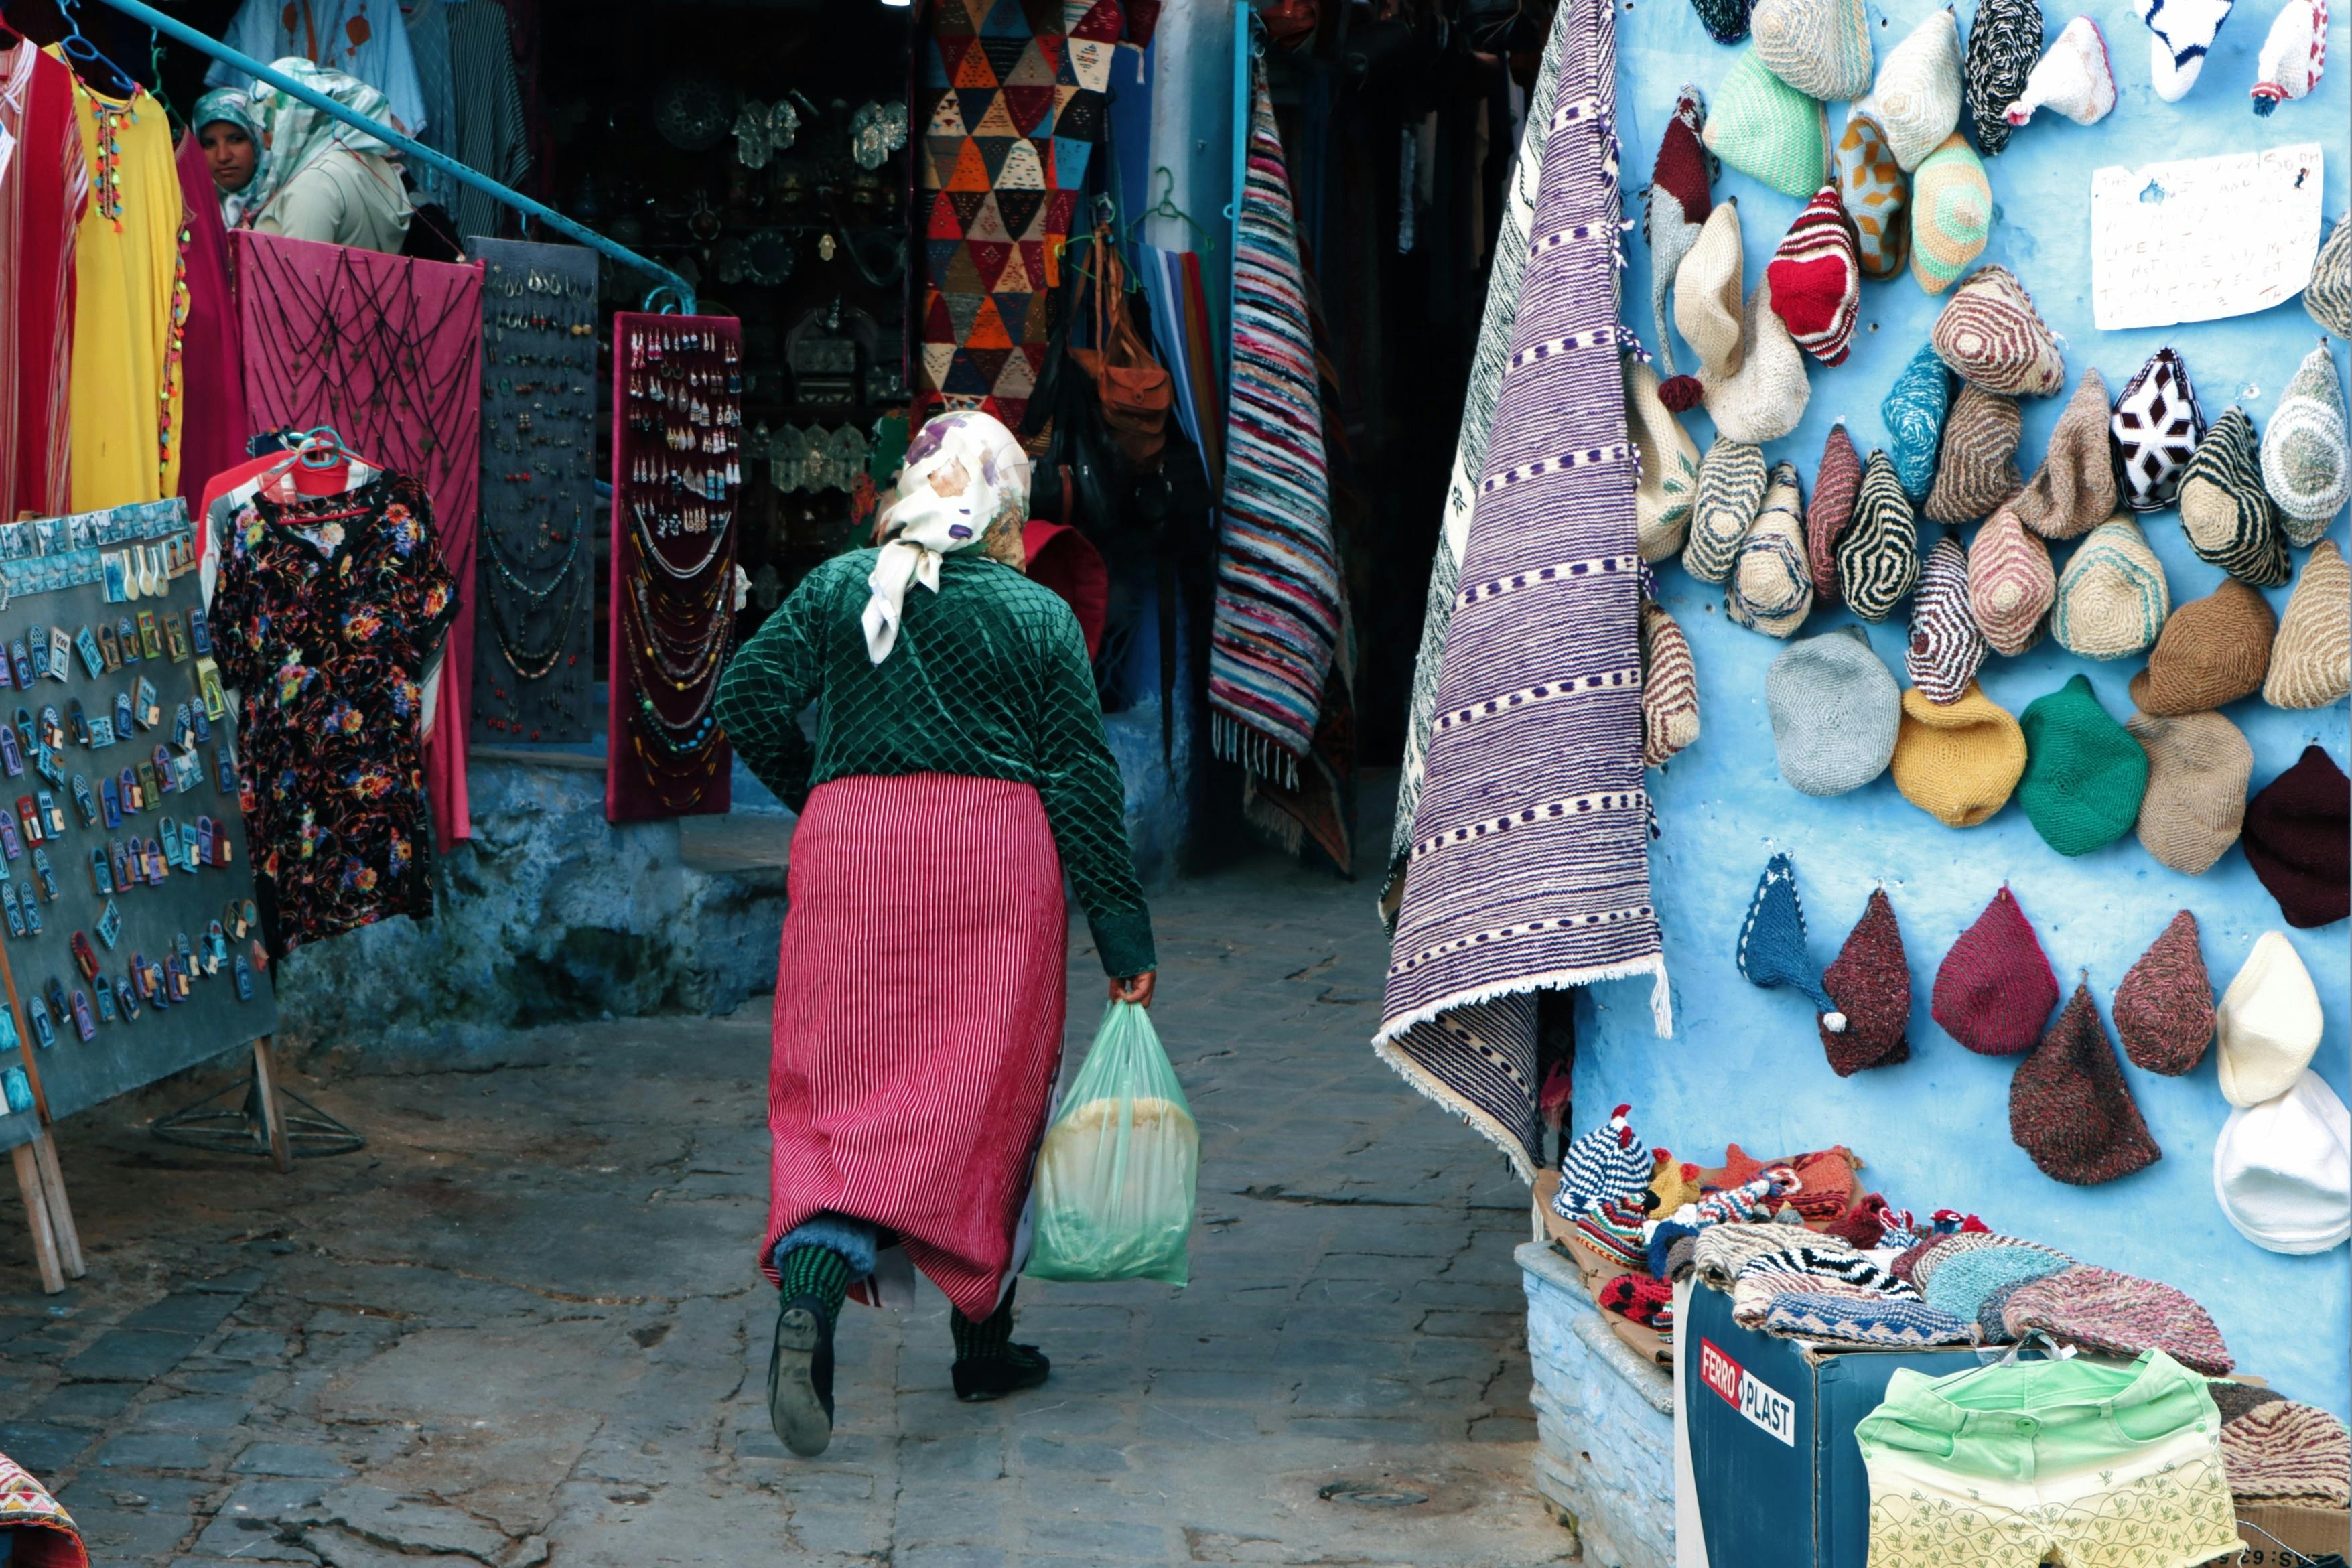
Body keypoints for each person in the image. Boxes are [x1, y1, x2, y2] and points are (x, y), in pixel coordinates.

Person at [713, 409, 1158, 1459]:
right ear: (1002, 505)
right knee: (984, 1098)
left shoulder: (833, 590)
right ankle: (981, 1342)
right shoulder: (1037, 618)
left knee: (842, 1094)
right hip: (990, 866)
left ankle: (812, 1294)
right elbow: (1081, 786)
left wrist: (825, 792)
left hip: (851, 857)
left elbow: (742, 698)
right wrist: (1122, 936)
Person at [238, 58, 413, 253]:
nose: (267, 143)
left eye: (270, 125)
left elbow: (301, 274)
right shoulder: (373, 166)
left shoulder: (315, 182)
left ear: (296, 121)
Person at [190, 88, 264, 226]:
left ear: (258, 140)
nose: (223, 157)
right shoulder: (189, 215)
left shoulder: (282, 203)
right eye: (209, 144)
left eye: (236, 140)